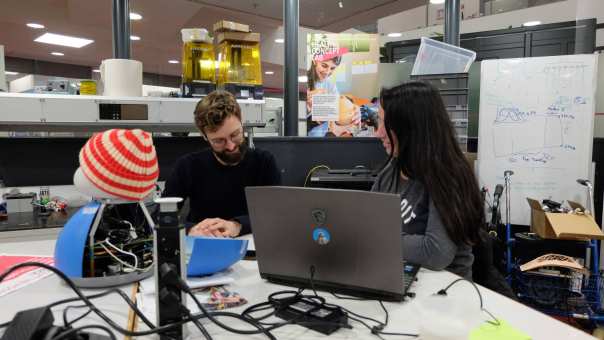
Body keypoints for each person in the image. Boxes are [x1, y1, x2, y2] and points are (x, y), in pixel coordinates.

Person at [372, 82, 483, 279]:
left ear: (410, 128)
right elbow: (366, 225)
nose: (378, 133)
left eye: (385, 123)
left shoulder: (448, 176)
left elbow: (435, 251)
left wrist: (378, 240)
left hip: (444, 292)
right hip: (399, 277)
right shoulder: (390, 172)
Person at [163, 90, 281, 237]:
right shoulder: (188, 166)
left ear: (242, 123)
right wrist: (191, 230)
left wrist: (237, 225)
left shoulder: (264, 162)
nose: (231, 146)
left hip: (253, 249)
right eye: (219, 141)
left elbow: (277, 213)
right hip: (203, 246)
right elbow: (162, 217)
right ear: (205, 136)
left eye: (235, 134)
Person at [306, 48, 360, 137]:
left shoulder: (330, 85)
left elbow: (338, 119)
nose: (327, 72)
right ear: (315, 60)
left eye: (332, 68)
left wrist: (353, 112)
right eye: (324, 65)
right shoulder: (302, 81)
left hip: (319, 139)